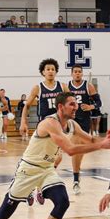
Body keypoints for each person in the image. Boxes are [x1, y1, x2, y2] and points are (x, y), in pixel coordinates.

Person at [19, 58, 69, 203]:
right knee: (35, 160)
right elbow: (26, 106)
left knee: (57, 158)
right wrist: (23, 121)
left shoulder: (63, 87)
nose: (50, 71)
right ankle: (29, 189)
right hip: (43, 129)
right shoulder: (38, 88)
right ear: (43, 72)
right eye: (48, 69)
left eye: (53, 69)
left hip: (58, 127)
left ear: (56, 71)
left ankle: (40, 186)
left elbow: (71, 104)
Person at [68, 64, 102, 194]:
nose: (77, 74)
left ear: (82, 74)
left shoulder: (89, 86)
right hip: (71, 121)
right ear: (72, 74)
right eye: (75, 72)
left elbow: (99, 103)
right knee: (75, 148)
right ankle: (76, 179)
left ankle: (76, 177)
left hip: (84, 121)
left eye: (79, 72)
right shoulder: (67, 86)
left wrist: (90, 107)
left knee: (79, 150)